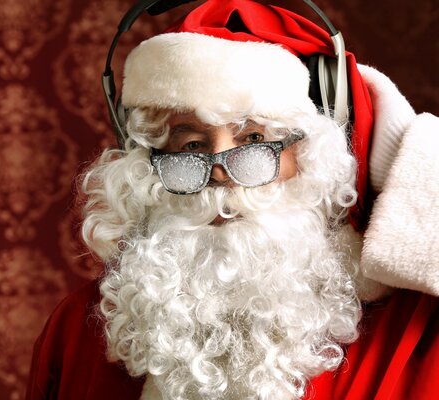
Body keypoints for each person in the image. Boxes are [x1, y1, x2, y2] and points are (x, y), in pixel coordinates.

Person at [26, 0, 439, 399]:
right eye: (190, 144)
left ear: (314, 156)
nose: (220, 174)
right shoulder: (75, 332)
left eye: (255, 139)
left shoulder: (415, 332)